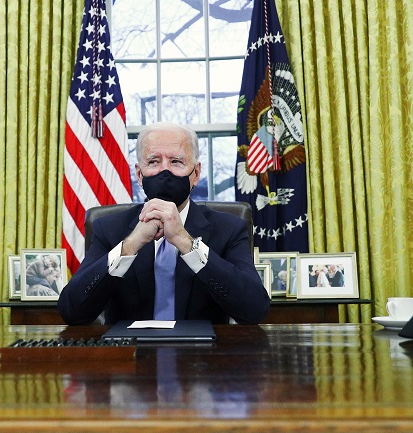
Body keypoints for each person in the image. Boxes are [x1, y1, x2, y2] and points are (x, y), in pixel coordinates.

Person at [57, 122, 271, 325]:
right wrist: (131, 245)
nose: (164, 172)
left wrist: (185, 241)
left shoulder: (229, 229)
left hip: (202, 356)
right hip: (131, 355)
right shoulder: (109, 229)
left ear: (195, 174)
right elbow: (72, 311)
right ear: (139, 174)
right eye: (153, 162)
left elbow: (254, 310)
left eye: (176, 161)